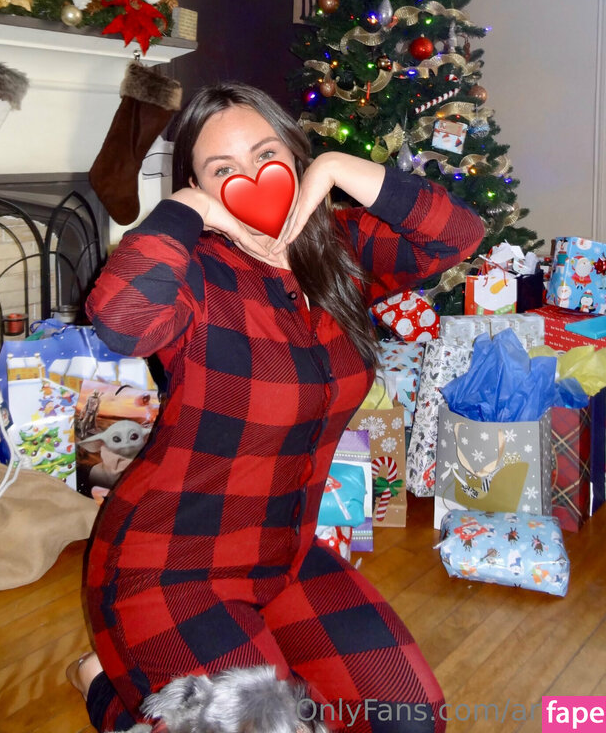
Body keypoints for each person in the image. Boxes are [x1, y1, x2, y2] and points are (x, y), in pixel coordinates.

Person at [72, 82, 484, 733]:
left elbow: (457, 234)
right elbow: (122, 320)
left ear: (293, 155)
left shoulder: (338, 250)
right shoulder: (196, 273)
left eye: (266, 154)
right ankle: (107, 687)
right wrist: (187, 210)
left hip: (283, 557)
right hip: (167, 568)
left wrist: (335, 167)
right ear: (200, 187)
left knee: (410, 722)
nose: (250, 178)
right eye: (221, 170)